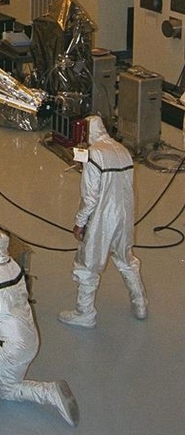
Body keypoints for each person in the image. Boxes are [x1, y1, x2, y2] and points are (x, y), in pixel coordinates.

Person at [0, 227, 79, 426]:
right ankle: (49, 392)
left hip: (7, 346)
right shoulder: (14, 266)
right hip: (29, 341)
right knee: (8, 391)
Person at [58, 113, 147, 327]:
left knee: (87, 265)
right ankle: (140, 304)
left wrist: (80, 222)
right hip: (125, 216)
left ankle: (85, 313)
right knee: (126, 260)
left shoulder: (94, 154)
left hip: (102, 218)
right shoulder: (122, 150)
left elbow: (90, 197)